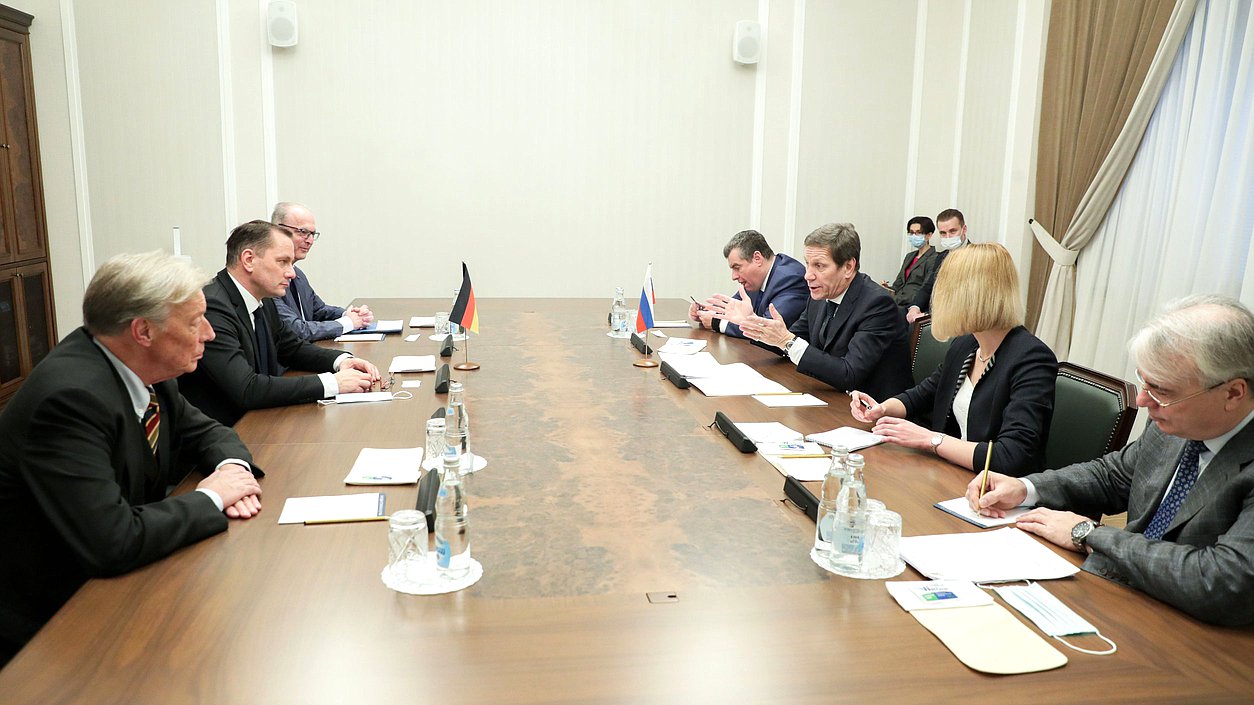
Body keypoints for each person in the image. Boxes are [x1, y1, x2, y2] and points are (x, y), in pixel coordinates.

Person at [0, 251, 264, 665]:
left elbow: (207, 430)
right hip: (53, 625)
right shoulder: (71, 400)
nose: (210, 334)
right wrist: (212, 497)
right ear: (143, 330)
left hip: (113, 582)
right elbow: (114, 540)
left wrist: (232, 470)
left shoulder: (142, 368)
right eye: (195, 322)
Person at [968, 295, 1254, 626]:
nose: (1145, 400)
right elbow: (1113, 475)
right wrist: (1025, 487)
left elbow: (1223, 581)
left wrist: (1087, 534)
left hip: (1197, 640)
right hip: (1123, 599)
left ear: (1233, 393)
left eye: (1162, 390)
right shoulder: (1176, 420)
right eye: (1144, 381)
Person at [851, 243, 1057, 475]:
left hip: (998, 493)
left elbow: (1012, 456)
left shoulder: (1032, 359)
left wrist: (931, 440)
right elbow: (924, 394)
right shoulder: (967, 344)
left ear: (974, 295)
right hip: (956, 474)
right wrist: (882, 408)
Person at [178, 220, 380, 426]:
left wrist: (341, 361)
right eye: (282, 262)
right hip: (226, 431)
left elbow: (291, 347)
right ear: (248, 260)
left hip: (259, 420)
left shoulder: (263, 298)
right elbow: (247, 388)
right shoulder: (213, 306)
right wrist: (332, 383)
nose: (292, 273)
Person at [735, 222, 912, 401]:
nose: (808, 275)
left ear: (848, 267)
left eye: (819, 266)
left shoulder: (877, 304)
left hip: (875, 411)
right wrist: (752, 324)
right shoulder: (819, 296)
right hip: (832, 397)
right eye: (807, 264)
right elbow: (792, 337)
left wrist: (787, 340)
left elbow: (849, 374)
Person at [271, 202, 374, 341]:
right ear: (278, 230)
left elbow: (318, 310)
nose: (310, 240)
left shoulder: (298, 274)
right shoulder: (267, 279)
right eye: (303, 232)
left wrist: (348, 314)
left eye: (312, 234)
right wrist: (348, 323)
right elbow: (297, 330)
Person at [689, 229, 808, 337]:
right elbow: (733, 310)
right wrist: (706, 312)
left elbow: (767, 328)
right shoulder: (754, 280)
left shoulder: (790, 279)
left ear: (757, 258)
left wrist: (717, 323)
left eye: (737, 267)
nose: (734, 277)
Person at [906, 208, 968, 324]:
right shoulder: (942, 256)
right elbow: (928, 286)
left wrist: (929, 315)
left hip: (959, 318)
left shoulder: (977, 256)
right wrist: (914, 307)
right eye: (943, 233)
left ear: (964, 229)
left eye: (953, 231)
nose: (948, 236)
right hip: (934, 314)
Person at [881, 216, 939, 309]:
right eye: (911, 233)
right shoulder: (909, 256)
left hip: (912, 306)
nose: (914, 236)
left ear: (929, 235)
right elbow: (898, 285)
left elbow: (926, 290)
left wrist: (896, 299)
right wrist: (887, 289)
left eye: (918, 233)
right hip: (898, 302)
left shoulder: (935, 258)